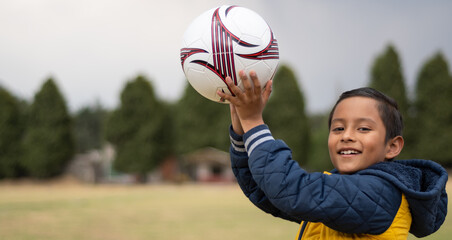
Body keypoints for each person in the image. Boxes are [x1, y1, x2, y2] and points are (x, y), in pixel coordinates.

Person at [217, 70, 448, 239]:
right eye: (338, 128)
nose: (346, 136)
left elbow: (290, 189)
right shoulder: (341, 188)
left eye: (363, 128)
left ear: (392, 147)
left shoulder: (379, 194)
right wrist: (241, 131)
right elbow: (267, 191)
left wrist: (254, 122)